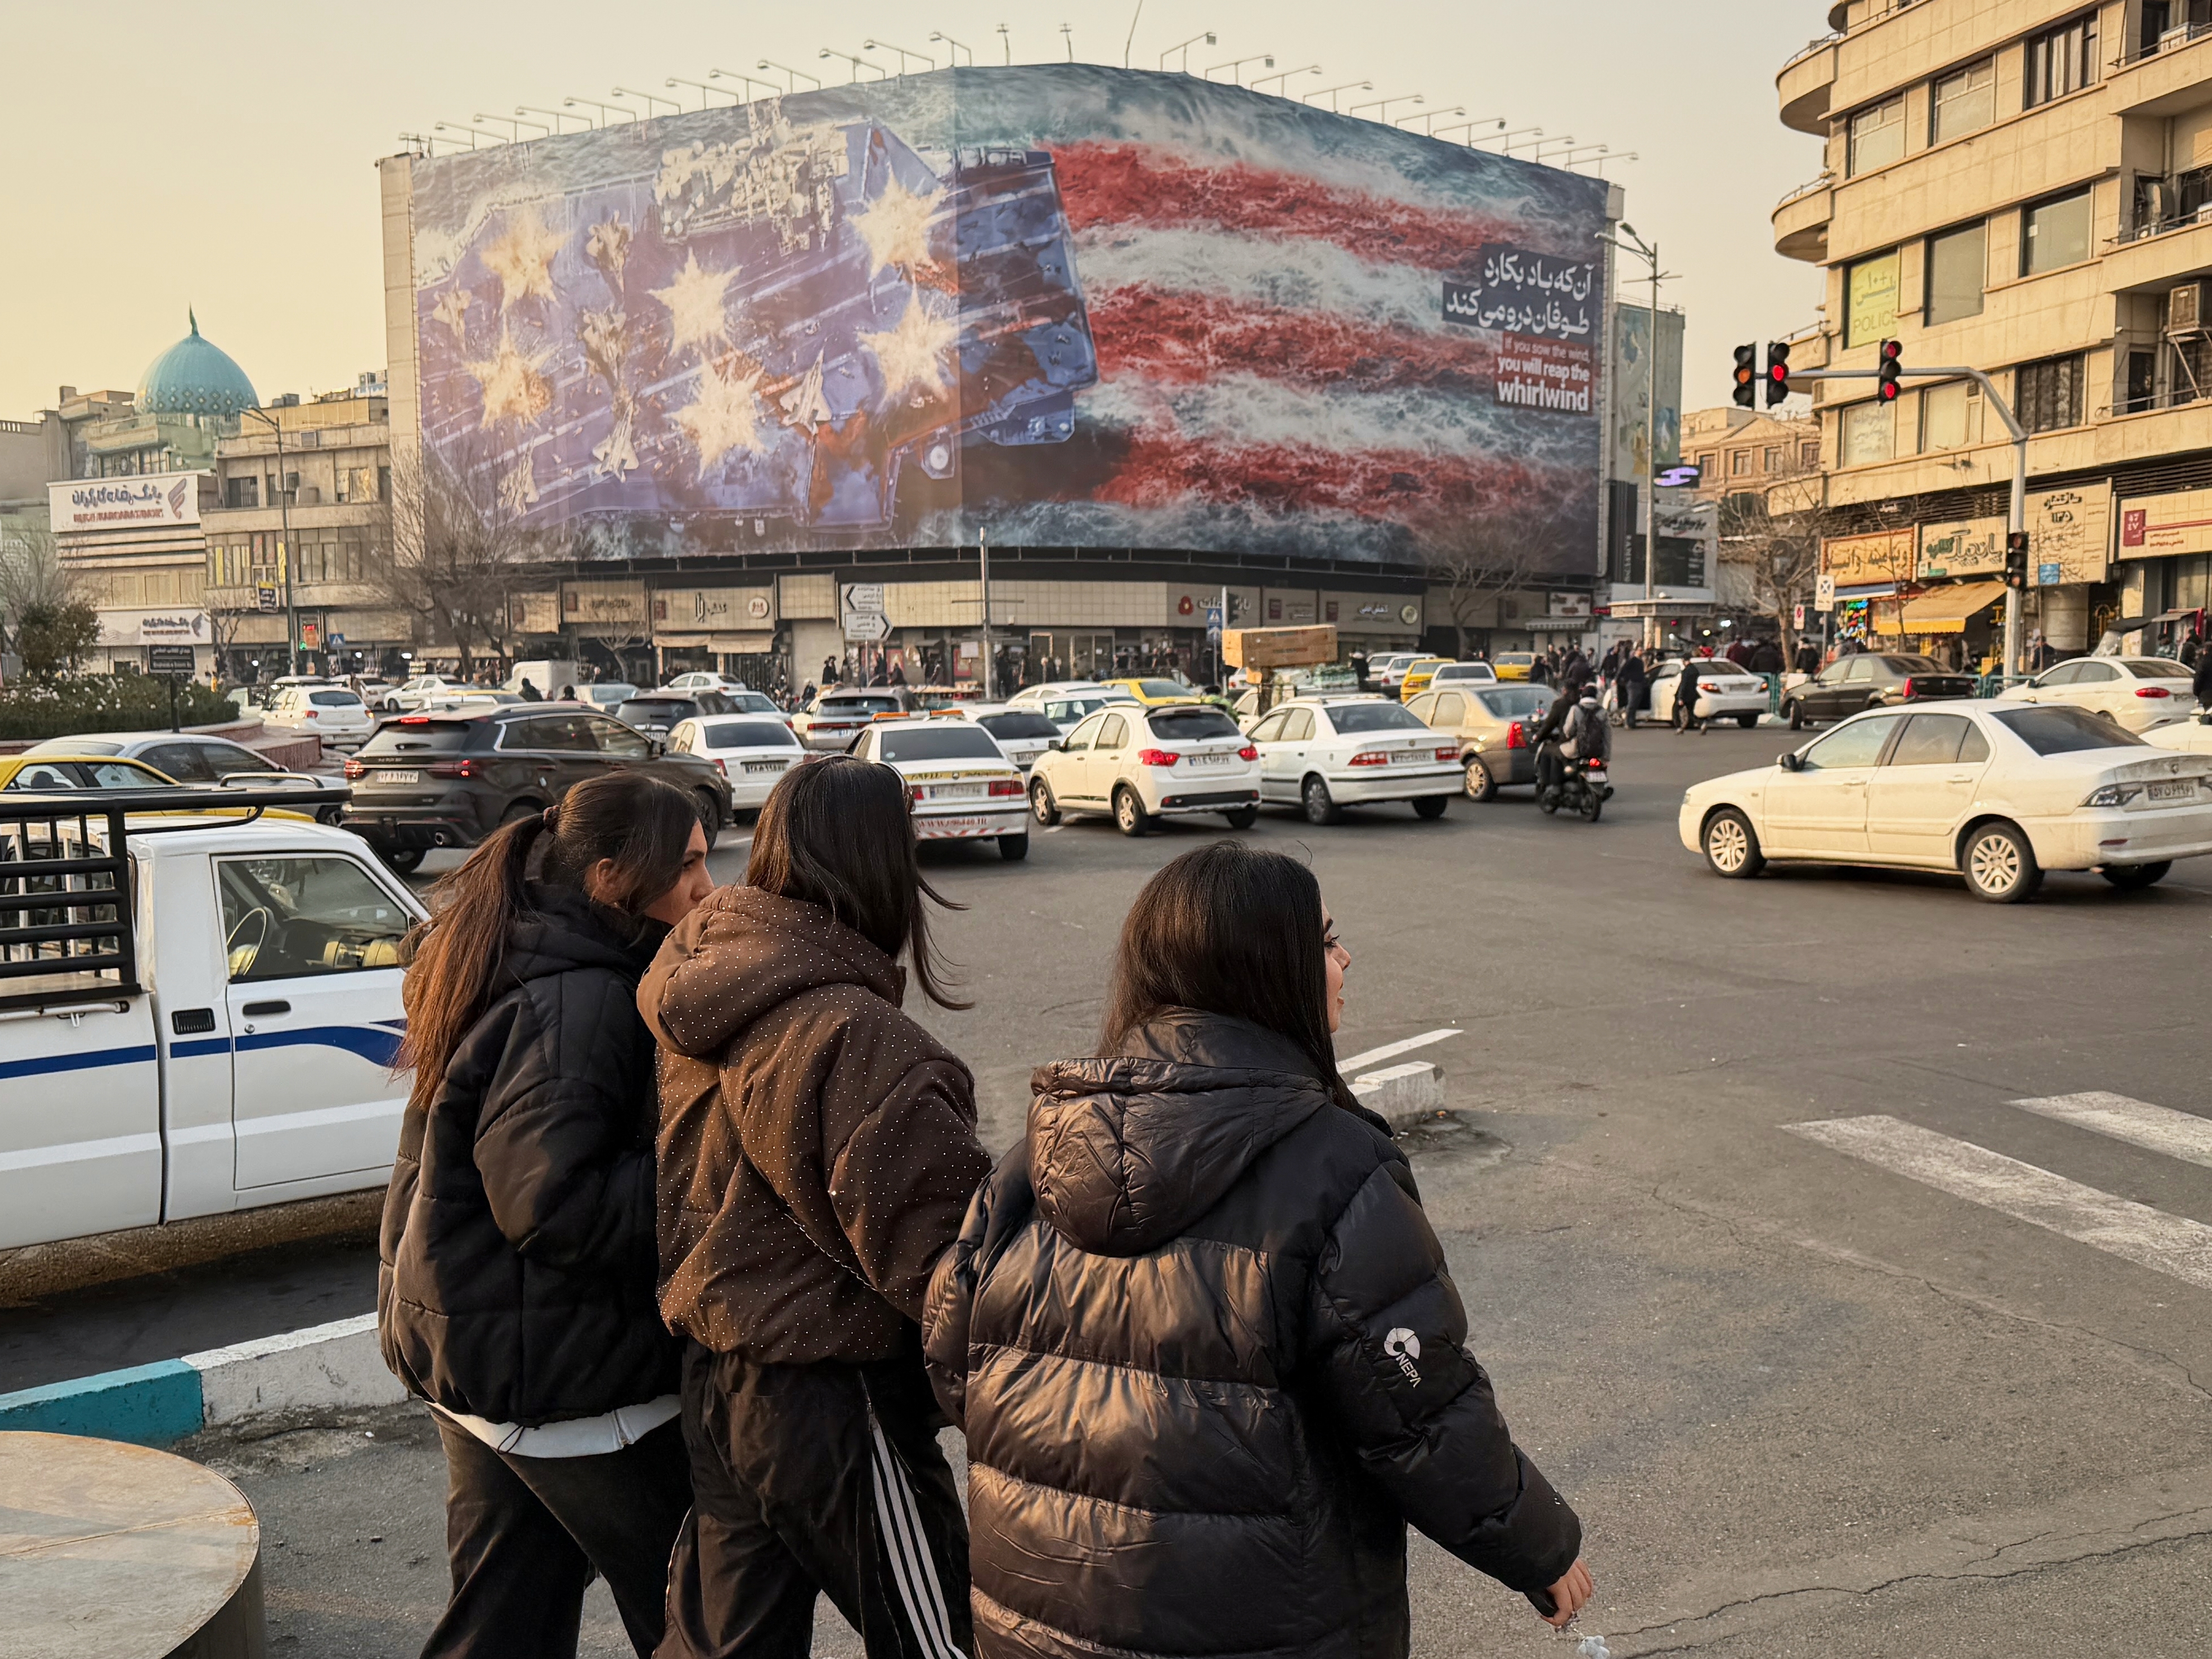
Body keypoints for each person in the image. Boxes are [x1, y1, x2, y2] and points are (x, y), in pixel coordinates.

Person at [924, 843, 1590, 1659]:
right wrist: (1538, 1545)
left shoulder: (1038, 1154)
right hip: (1262, 1624)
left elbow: (954, 1359)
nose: (1344, 958)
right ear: (1263, 968)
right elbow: (1419, 1415)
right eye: (1324, 940)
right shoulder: (1335, 1167)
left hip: (1038, 1618)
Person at [644, 756, 993, 1659]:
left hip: (720, 1377)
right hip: (832, 1392)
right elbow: (947, 1270)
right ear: (882, 866)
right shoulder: (857, 1034)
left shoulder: (707, 978)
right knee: (943, 1642)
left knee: (726, 1642)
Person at [379, 773, 715, 1659]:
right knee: (705, 1624)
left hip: (483, 1365)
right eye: (684, 866)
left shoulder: (513, 950)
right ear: (609, 877)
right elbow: (550, 1198)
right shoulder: (582, 995)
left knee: (501, 1628)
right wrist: (705, 1164)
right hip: (573, 1387)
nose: (706, 889)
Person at [1616, 647, 1647, 730]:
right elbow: (1623, 670)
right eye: (1640, 650)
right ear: (1636, 651)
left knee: (1635, 704)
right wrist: (1622, 679)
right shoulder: (1632, 660)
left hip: (1639, 683)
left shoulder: (1640, 661)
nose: (1642, 652)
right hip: (1633, 683)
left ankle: (1632, 722)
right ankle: (1627, 722)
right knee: (1632, 703)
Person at [1673, 659, 1706, 734]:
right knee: (1690, 713)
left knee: (1676, 711)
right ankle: (1702, 724)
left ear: (1685, 661)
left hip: (1685, 695)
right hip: (1693, 694)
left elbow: (1683, 685)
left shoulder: (1686, 672)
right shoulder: (1695, 670)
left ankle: (1679, 728)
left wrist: (1680, 697)